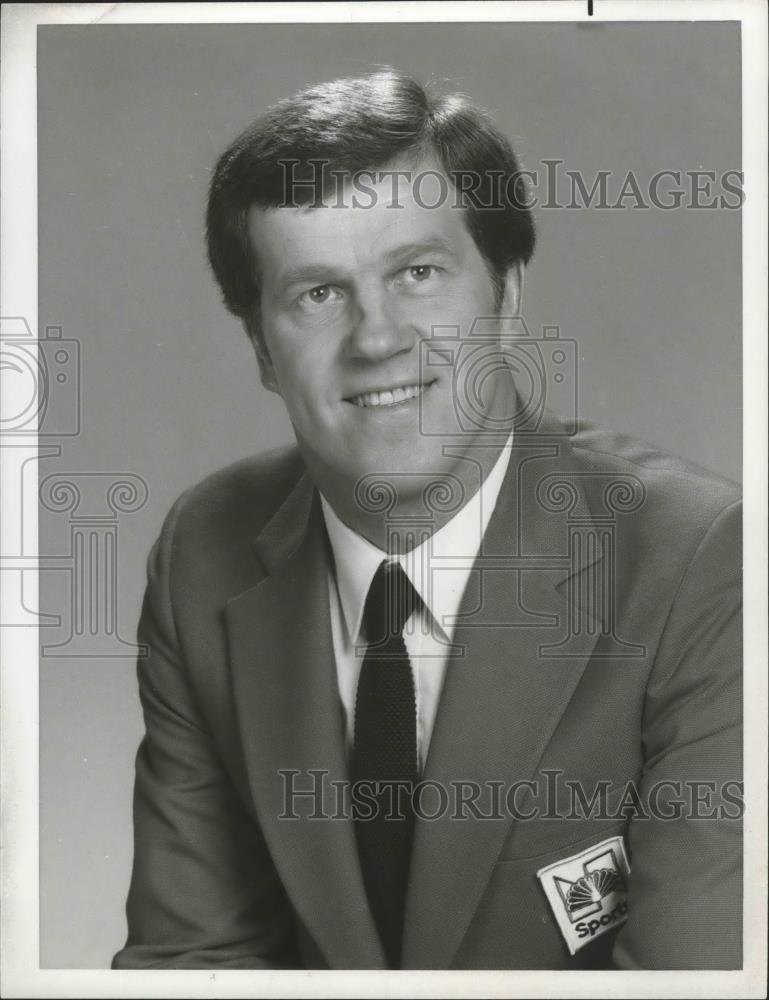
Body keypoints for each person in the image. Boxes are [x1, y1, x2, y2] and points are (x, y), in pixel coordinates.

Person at [112, 70, 742, 971]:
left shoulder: (699, 561)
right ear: (260, 347)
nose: (377, 338)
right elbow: (191, 963)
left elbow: (695, 984)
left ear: (506, 294)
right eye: (317, 294)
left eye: (416, 272)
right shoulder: (202, 551)